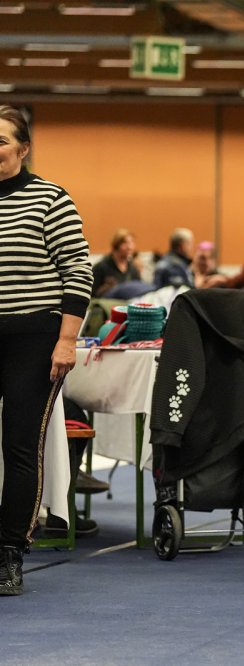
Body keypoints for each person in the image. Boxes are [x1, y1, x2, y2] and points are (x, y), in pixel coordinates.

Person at [0, 105, 93, 595]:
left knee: (20, 446)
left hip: (34, 339)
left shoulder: (50, 198)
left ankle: (9, 552)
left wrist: (66, 339)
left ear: (23, 149)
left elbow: (78, 270)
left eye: (1, 141)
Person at [91, 228, 140, 297]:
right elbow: (92, 294)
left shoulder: (132, 268)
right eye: (125, 243)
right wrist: (105, 289)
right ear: (116, 246)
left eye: (131, 243)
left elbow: (139, 290)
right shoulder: (101, 268)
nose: (130, 247)